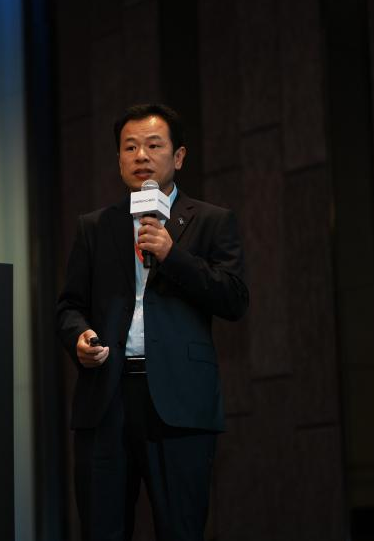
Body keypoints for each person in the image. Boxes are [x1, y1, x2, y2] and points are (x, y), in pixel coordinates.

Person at [57, 103, 249, 541]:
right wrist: (79, 337)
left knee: (181, 529)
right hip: (106, 398)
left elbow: (234, 299)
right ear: (119, 160)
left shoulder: (212, 221)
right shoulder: (95, 227)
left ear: (178, 156)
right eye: (130, 147)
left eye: (153, 145)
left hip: (180, 401)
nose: (141, 155)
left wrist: (171, 254)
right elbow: (69, 306)